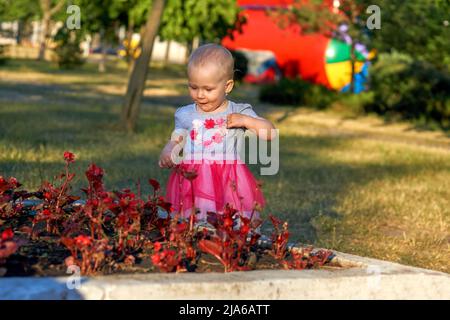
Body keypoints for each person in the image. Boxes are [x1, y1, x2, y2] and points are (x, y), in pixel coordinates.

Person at [158, 43, 276, 223]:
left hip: (227, 180)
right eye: (193, 87)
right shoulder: (185, 114)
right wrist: (169, 150)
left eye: (208, 89)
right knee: (193, 219)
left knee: (230, 220)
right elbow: (178, 138)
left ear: (227, 86)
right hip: (193, 179)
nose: (200, 95)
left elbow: (270, 134)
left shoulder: (239, 111)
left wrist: (247, 121)